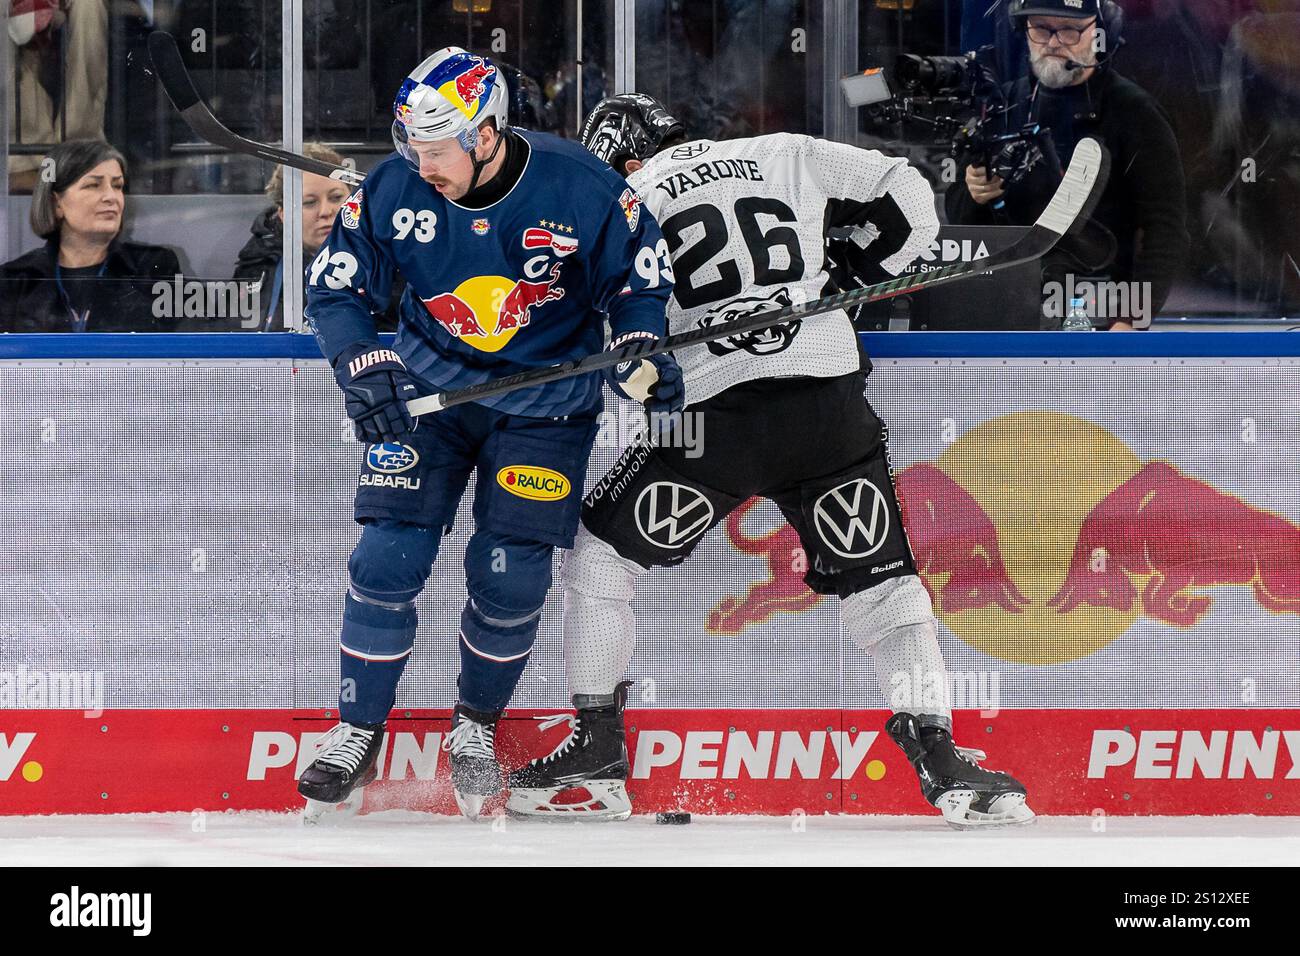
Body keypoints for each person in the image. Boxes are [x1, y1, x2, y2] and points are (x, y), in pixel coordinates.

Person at [505, 94, 1034, 829]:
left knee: (600, 556)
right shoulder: (782, 150)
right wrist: (848, 275)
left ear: (620, 160)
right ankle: (943, 759)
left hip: (719, 424)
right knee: (884, 585)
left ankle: (596, 751)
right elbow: (911, 194)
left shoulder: (625, 199)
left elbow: (609, 349)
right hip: (831, 410)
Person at [297, 49, 682, 821]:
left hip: (544, 406)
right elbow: (335, 289)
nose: (419, 161)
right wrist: (361, 361)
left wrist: (642, 346)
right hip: (428, 394)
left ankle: (474, 727)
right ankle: (355, 728)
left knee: (511, 580)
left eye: (436, 148)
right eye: (410, 144)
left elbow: (638, 288)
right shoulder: (394, 186)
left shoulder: (584, 188)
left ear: (487, 134)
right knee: (386, 558)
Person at [946, 0, 1188, 329]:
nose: (1054, 41)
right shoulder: (1003, 106)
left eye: (1070, 30)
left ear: (1099, 34)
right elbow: (960, 221)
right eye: (1041, 28)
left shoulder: (1134, 111)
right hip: (1009, 308)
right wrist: (973, 194)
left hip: (1099, 310)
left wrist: (1130, 321)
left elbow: (1166, 227)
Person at [0, 138, 180, 332]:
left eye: (117, 186)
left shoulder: (153, 269)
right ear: (56, 203)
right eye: (93, 185)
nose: (111, 197)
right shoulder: (15, 281)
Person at [232, 142, 400, 332]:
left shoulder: (389, 261)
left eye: (336, 197)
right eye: (310, 202)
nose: (326, 211)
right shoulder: (260, 265)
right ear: (283, 214)